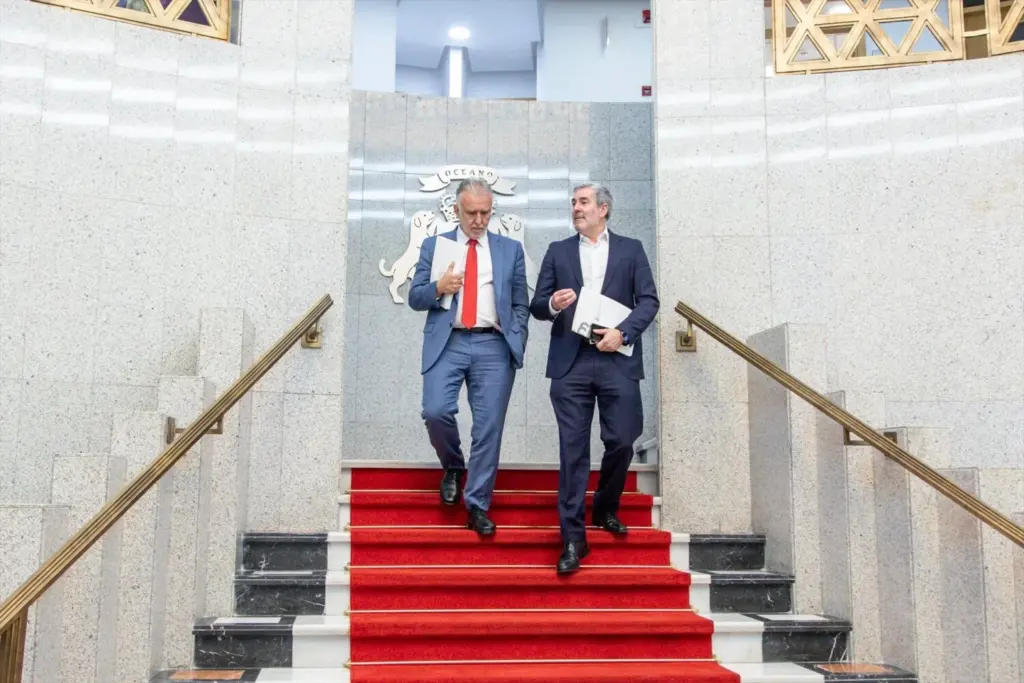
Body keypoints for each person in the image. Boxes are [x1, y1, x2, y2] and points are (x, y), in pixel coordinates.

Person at [529, 183, 659, 574]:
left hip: (617, 358)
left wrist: (624, 332)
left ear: (603, 209)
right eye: (573, 202)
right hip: (571, 362)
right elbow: (537, 305)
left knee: (621, 440)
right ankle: (573, 538)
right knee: (572, 451)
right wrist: (553, 304)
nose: (576, 208)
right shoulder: (558, 251)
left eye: (583, 202)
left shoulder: (631, 250)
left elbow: (649, 301)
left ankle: (605, 506)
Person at [408, 179, 530, 536]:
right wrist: (438, 288)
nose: (479, 220)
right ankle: (453, 465)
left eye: (485, 213)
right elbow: (415, 297)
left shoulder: (510, 250)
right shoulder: (436, 245)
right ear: (456, 210)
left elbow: (520, 302)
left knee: (488, 427)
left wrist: (517, 337)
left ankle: (477, 504)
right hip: (449, 341)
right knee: (436, 410)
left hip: (494, 345)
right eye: (471, 213)